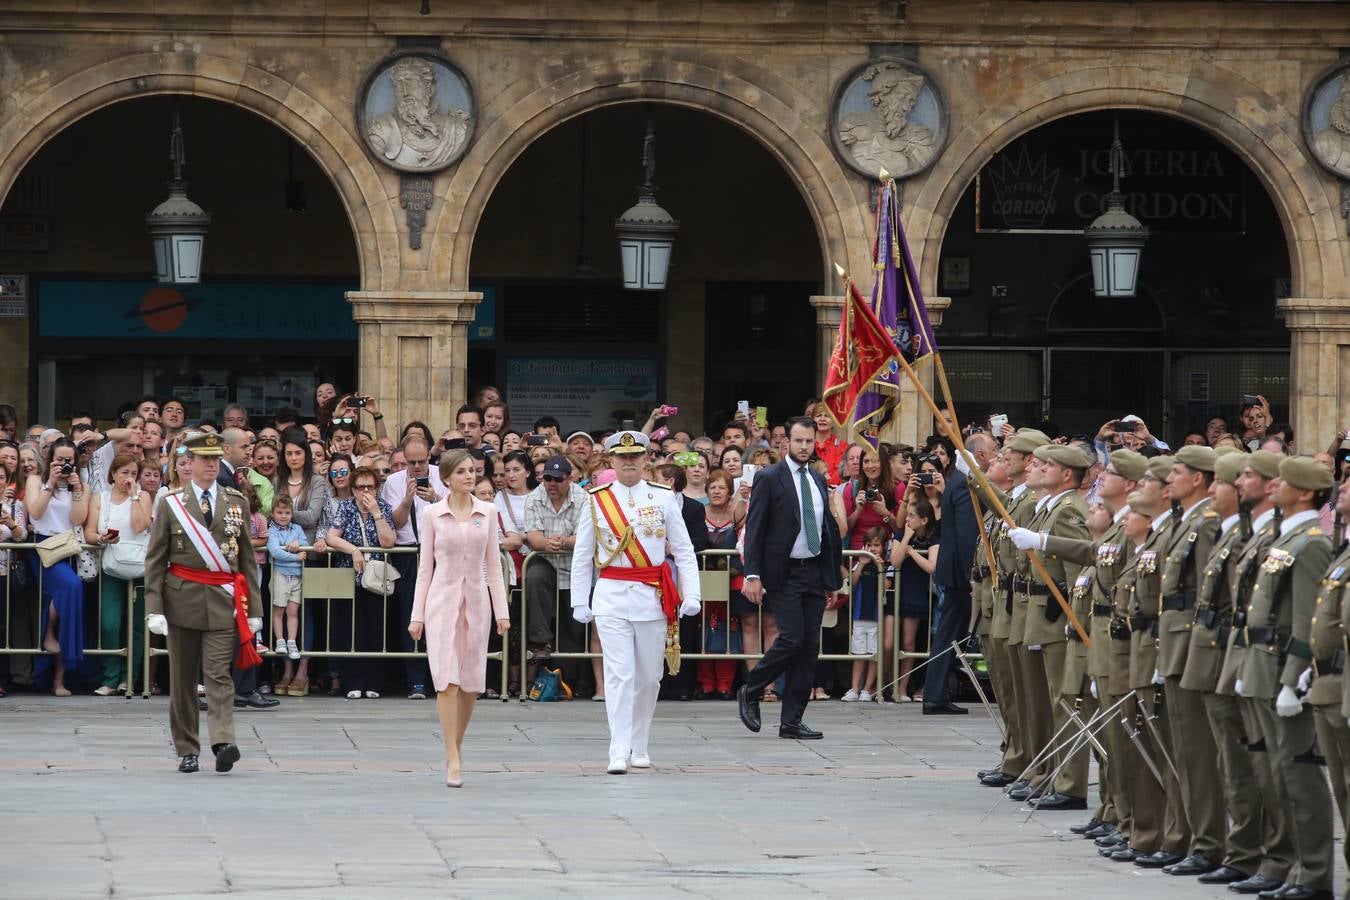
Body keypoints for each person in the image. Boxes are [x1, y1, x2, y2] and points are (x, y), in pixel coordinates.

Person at [570, 430, 701, 773]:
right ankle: (618, 748)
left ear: (645, 459)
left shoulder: (663, 497)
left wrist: (692, 593)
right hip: (611, 595)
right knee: (619, 674)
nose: (628, 462)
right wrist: (579, 601)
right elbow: (583, 554)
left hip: (651, 596)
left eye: (635, 456)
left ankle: (640, 744)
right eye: (622, 457)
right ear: (611, 460)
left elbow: (684, 549)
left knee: (649, 676)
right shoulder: (596, 499)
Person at [1239, 456, 1335, 900]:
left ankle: (1313, 873)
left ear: (1305, 492)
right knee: (1281, 774)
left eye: (1285, 480)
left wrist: (1293, 678)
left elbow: (1305, 619)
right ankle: (1297, 866)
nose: (1275, 485)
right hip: (1264, 662)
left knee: (1299, 776)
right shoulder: (1288, 534)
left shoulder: (1311, 541)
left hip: (1283, 667)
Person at [143, 432, 261, 774]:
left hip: (223, 601)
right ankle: (187, 748)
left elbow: (247, 562)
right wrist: (154, 608)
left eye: (214, 459)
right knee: (181, 680)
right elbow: (155, 561)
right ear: (188, 464)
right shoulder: (171, 503)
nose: (211, 465)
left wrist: (254, 610)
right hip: (181, 600)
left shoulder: (236, 501)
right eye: (203, 459)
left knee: (218, 675)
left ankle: (223, 741)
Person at [737, 416, 843, 741]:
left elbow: (824, 528)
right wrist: (752, 574)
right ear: (787, 443)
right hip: (782, 573)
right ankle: (750, 690)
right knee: (792, 638)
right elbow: (754, 529)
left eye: (809, 442)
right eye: (798, 441)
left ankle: (792, 720)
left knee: (809, 647)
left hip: (813, 570)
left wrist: (831, 576)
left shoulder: (818, 479)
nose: (804, 447)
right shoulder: (770, 477)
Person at [409, 449, 509, 788]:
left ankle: (458, 745)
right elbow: (425, 569)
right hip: (441, 602)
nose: (469, 476)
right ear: (447, 477)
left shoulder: (489, 512)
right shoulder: (433, 514)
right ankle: (452, 757)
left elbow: (494, 567)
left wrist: (502, 612)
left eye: (472, 471)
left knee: (470, 683)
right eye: (462, 471)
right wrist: (417, 615)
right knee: (446, 678)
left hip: (477, 604)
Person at [324, 465, 396, 700]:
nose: (365, 491)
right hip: (350, 576)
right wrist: (354, 549)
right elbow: (332, 537)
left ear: (377, 488)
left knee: (376, 630)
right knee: (351, 630)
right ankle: (353, 682)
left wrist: (376, 513)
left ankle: (374, 682)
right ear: (352, 489)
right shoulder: (346, 507)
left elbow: (387, 542)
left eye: (370, 487)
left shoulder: (383, 507)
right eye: (360, 487)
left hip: (375, 580)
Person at [25, 438, 90, 696]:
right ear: (49, 459)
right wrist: (51, 483)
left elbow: (77, 519)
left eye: (69, 461)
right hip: (43, 549)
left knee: (69, 605)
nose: (64, 465)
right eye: (59, 460)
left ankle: (60, 679)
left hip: (68, 549)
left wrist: (75, 489)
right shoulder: (35, 481)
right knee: (71, 587)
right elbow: (36, 514)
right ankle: (49, 634)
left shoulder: (80, 485)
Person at [84, 453, 153, 695]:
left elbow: (138, 525)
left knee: (137, 626)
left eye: (134, 473)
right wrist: (102, 538)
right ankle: (110, 678)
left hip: (139, 566)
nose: (129, 477)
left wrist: (134, 495)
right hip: (112, 565)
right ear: (112, 473)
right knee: (110, 623)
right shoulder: (99, 498)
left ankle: (129, 678)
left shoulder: (143, 496)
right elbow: (89, 533)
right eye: (124, 472)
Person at [380, 434, 443, 700]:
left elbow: (457, 513)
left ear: (429, 455)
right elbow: (394, 522)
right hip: (408, 554)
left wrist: (436, 500)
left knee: (441, 616)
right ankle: (416, 680)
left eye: (421, 461)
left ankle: (442, 678)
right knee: (411, 616)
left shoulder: (444, 475)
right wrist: (407, 499)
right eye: (410, 462)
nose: (416, 467)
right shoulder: (394, 482)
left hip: (440, 553)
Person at [921, 434, 979, 715]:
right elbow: (967, 535)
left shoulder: (954, 480)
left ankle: (935, 693)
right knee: (949, 635)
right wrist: (970, 573)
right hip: (958, 573)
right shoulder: (962, 484)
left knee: (949, 634)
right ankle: (934, 694)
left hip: (952, 569)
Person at [891, 495, 940, 701]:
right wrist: (906, 541)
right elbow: (895, 560)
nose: (908, 519)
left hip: (916, 593)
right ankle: (888, 684)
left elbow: (932, 566)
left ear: (924, 519)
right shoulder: (902, 533)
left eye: (912, 516)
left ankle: (903, 688)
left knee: (909, 642)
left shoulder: (933, 537)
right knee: (890, 642)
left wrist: (913, 552)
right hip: (896, 592)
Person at [843, 526, 890, 702]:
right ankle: (854, 688)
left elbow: (887, 585)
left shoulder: (885, 564)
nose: (872, 549)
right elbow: (853, 583)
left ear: (883, 547)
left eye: (876, 545)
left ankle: (867, 688)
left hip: (877, 616)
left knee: (873, 654)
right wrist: (862, 564)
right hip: (859, 615)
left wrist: (881, 566)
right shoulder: (859, 562)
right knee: (859, 654)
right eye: (869, 545)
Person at [267, 495, 307, 664]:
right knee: (279, 610)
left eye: (287, 512)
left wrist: (298, 542)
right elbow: (275, 551)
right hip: (280, 575)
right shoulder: (272, 531)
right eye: (279, 512)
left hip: (297, 576)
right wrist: (295, 557)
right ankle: (279, 640)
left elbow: (305, 544)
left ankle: (291, 641)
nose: (283, 516)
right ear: (273, 513)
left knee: (293, 611)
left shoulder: (297, 528)